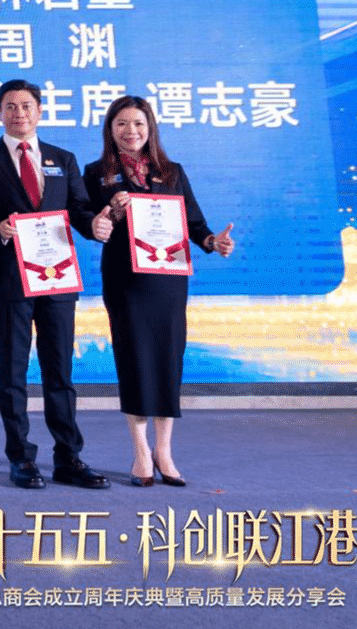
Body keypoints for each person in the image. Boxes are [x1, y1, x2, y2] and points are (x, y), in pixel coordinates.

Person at [83, 96, 235, 487]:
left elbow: (194, 222)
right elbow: (92, 224)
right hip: (126, 280)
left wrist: (212, 241)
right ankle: (140, 451)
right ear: (110, 129)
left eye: (138, 123)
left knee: (168, 357)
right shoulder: (97, 174)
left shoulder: (172, 172)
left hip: (168, 279)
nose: (130, 131)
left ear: (150, 128)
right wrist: (113, 213)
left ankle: (164, 450)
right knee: (134, 358)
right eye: (121, 123)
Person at [0, 79, 108, 490]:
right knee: (12, 371)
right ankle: (21, 457)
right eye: (10, 106)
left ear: (40, 111)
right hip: (11, 279)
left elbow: (79, 209)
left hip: (58, 278)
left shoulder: (63, 159)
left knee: (59, 370)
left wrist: (94, 225)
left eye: (26, 105)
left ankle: (69, 457)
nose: (19, 113)